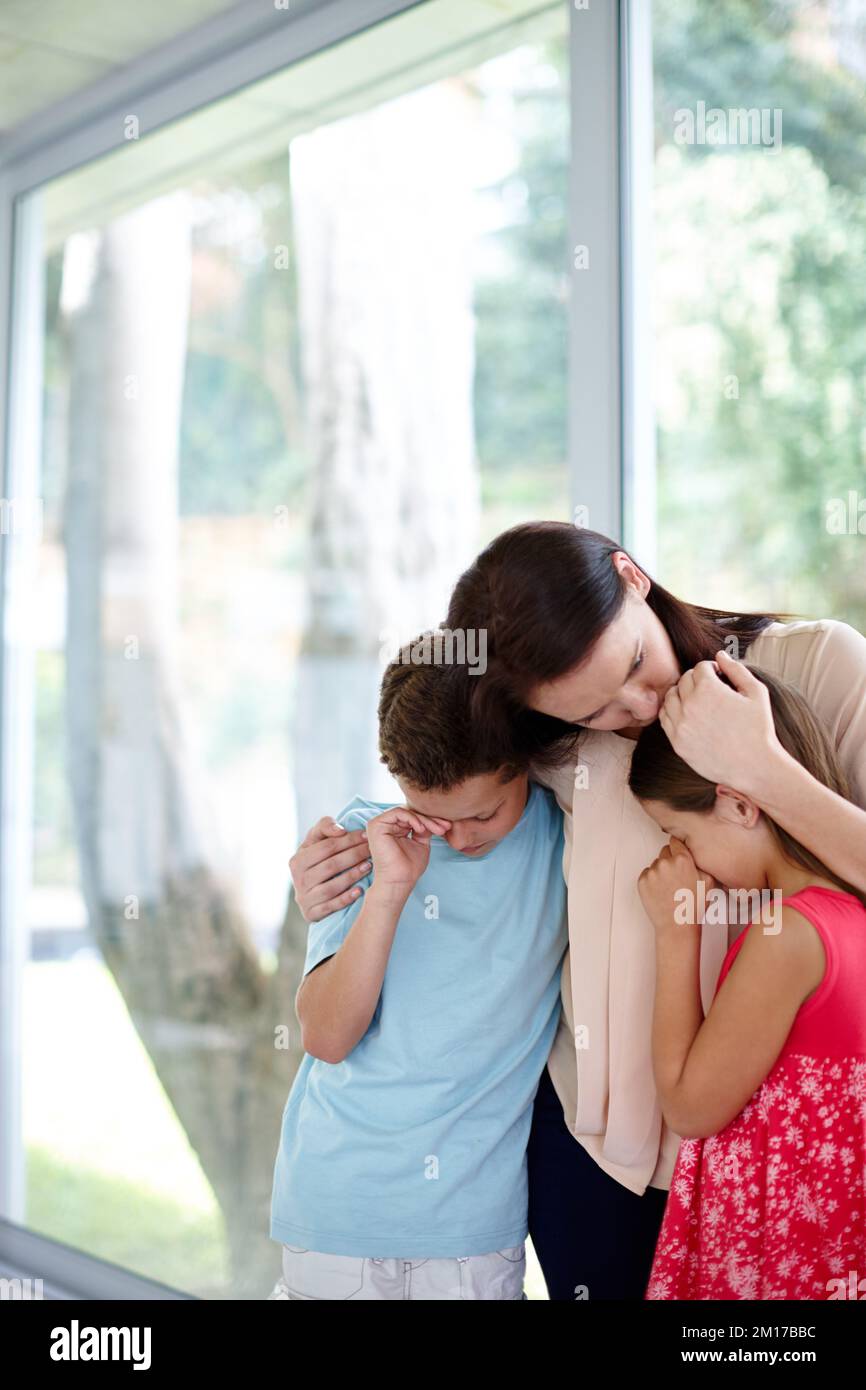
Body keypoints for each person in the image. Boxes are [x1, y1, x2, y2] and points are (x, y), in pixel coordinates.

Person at [289, 521, 866, 1298]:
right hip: (594, 1162)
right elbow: (450, 778)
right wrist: (332, 865)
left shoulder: (817, 664)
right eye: (594, 712)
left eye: (633, 664)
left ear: (632, 576)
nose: (638, 706)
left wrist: (757, 765)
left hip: (778, 1156)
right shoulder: (552, 740)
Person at [268, 635, 568, 1300]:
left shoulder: (560, 834)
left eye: (483, 813)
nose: (459, 837)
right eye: (435, 814)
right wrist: (390, 892)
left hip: (471, 1234)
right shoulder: (364, 842)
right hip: (334, 1214)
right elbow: (325, 1037)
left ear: (525, 762)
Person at [627, 666, 866, 1299]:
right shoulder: (851, 914)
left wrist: (675, 935)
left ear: (737, 804)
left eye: (680, 834)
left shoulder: (787, 935)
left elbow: (690, 1107)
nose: (684, 857)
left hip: (774, 1252)